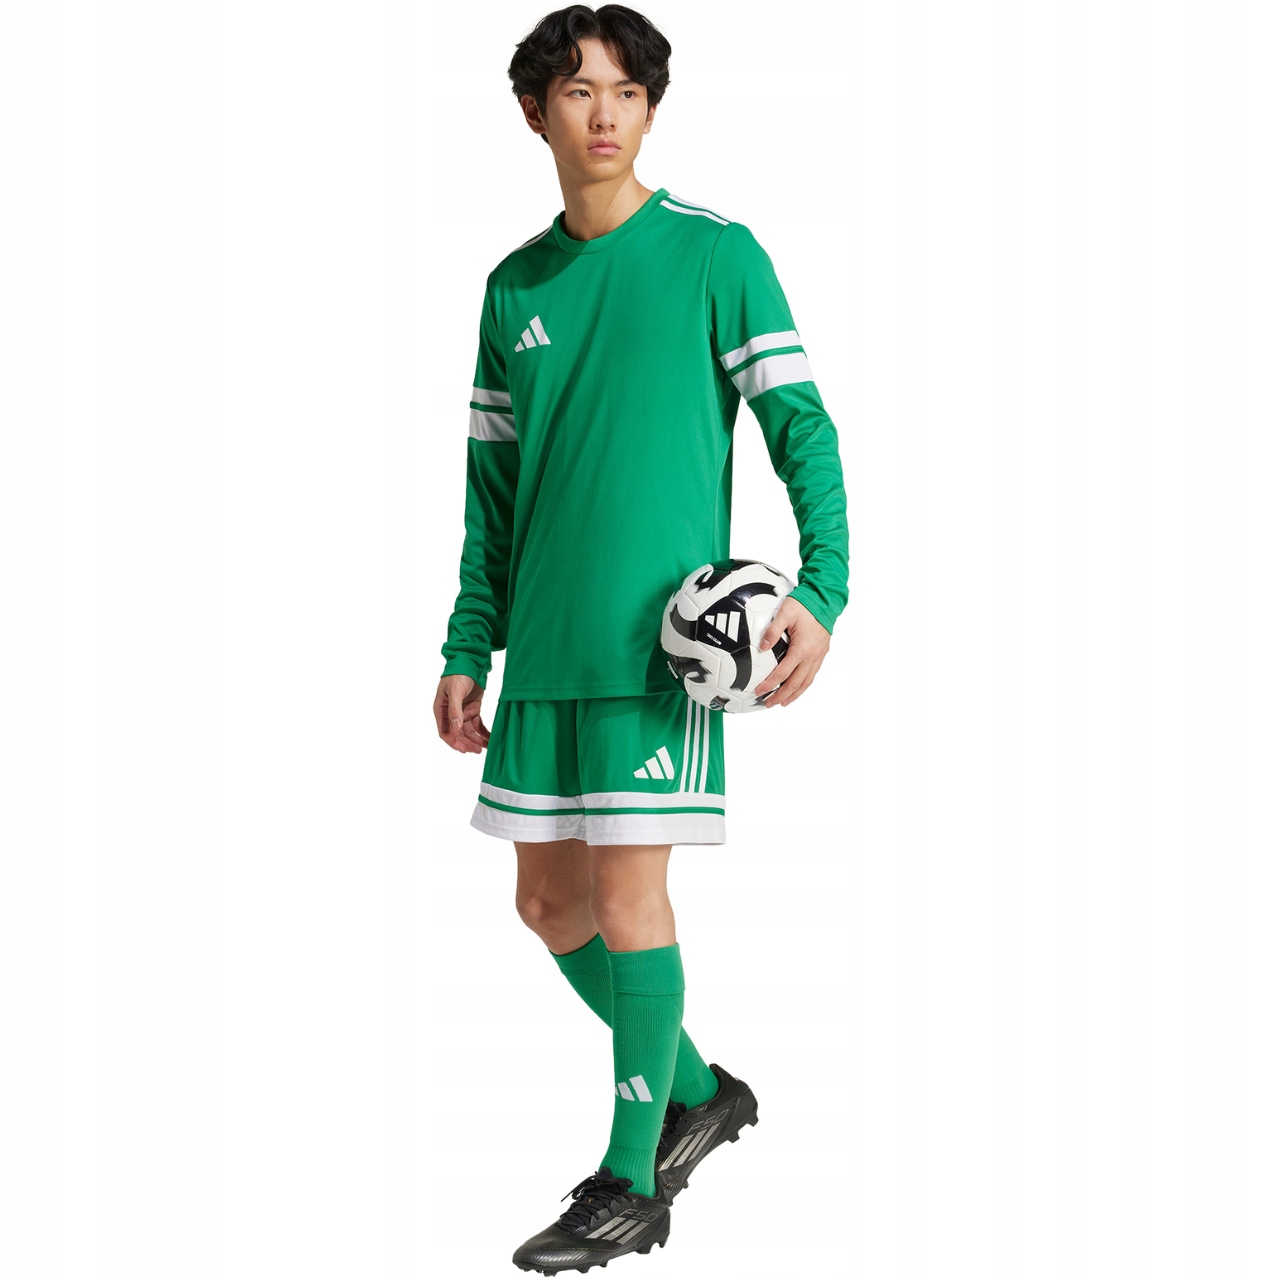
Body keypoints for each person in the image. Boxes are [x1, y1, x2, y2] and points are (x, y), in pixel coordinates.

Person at [435, 5, 849, 1273]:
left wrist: (822, 589)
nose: (603, 112)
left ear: (651, 109)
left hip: (659, 656)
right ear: (534, 114)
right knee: (545, 902)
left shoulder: (715, 255)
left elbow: (802, 428)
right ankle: (698, 1091)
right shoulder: (513, 286)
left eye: (624, 90)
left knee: (624, 899)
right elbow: (492, 494)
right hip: (543, 651)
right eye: (576, 91)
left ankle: (631, 1182)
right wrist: (467, 644)